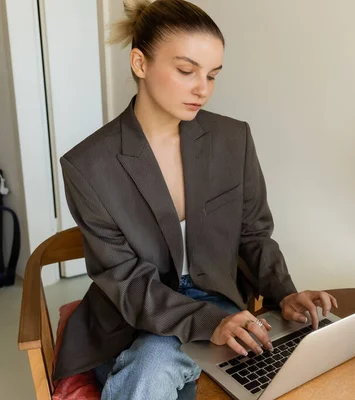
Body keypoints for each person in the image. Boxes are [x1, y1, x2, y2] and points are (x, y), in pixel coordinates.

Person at [53, 1, 338, 398]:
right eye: (186, 71)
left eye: (212, 75)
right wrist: (208, 323)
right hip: (130, 318)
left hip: (219, 303)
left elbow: (254, 235)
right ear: (139, 63)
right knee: (155, 361)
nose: (202, 88)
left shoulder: (232, 139)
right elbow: (125, 280)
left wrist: (285, 293)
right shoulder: (88, 165)